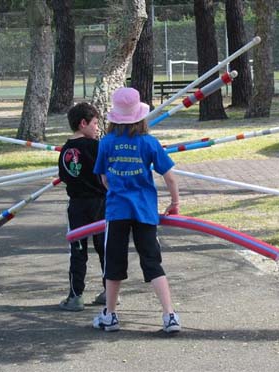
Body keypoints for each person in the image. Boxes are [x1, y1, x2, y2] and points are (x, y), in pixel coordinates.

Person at [93, 87, 181, 333]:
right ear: (140, 116)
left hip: (117, 211)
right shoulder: (149, 143)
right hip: (145, 212)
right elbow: (171, 178)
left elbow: (104, 179)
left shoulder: (106, 142)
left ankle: (110, 316)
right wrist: (174, 204)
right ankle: (169, 315)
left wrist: (118, 185)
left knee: (114, 265)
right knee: (153, 263)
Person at [58, 102, 109, 311]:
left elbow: (64, 176)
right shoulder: (98, 147)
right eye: (95, 123)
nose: (97, 128)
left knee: (77, 250)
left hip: (77, 206)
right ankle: (110, 292)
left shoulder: (65, 150)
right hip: (101, 204)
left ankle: (75, 295)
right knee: (105, 248)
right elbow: (107, 173)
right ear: (82, 123)